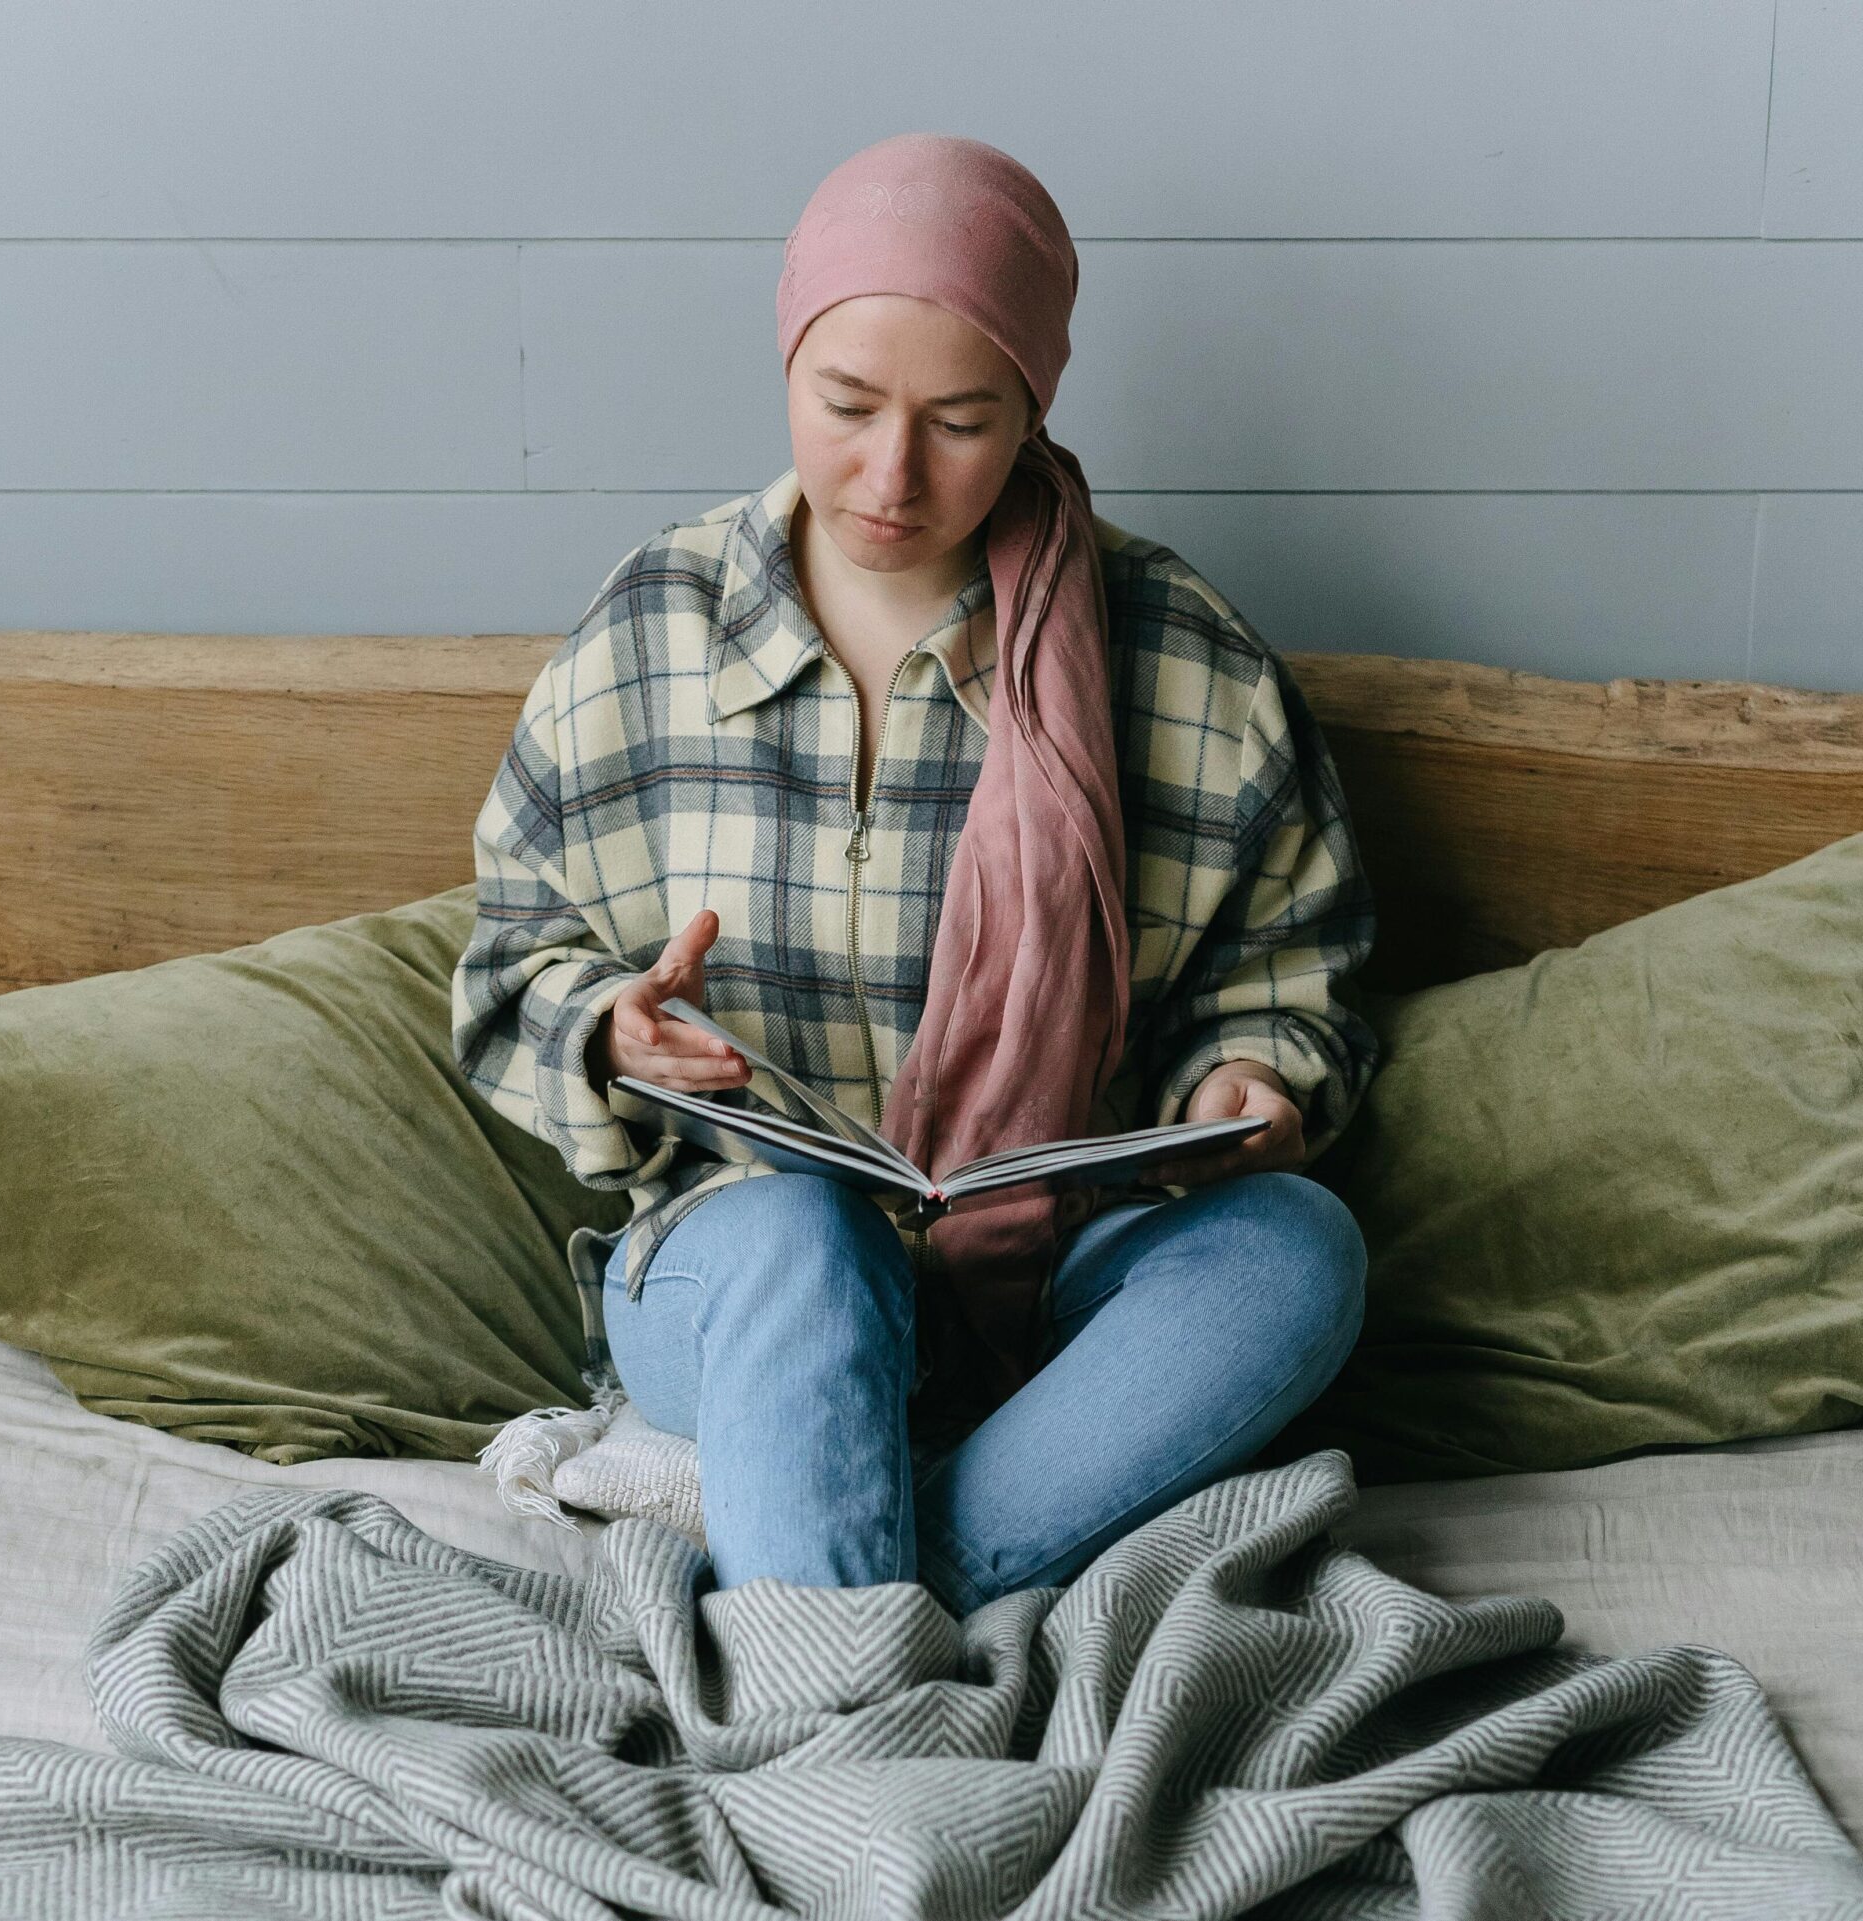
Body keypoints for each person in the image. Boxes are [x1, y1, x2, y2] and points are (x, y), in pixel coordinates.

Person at [454, 133, 1379, 1616]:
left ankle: (834, 1584)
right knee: (805, 1244)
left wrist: (1251, 1079)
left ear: (1034, 409)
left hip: (1067, 1285)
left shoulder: (1183, 659)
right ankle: (863, 1651)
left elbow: (1292, 976)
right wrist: (615, 1026)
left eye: (961, 419)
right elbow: (508, 959)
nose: (892, 472)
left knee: (1298, 1256)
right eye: (848, 405)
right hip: (740, 1265)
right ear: (787, 366)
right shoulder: (646, 632)